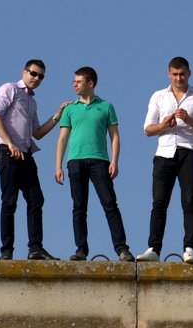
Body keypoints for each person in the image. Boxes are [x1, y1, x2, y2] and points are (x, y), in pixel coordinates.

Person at [0, 59, 72, 261]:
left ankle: (35, 249)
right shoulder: (10, 89)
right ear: (24, 72)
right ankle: (6, 251)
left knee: (36, 199)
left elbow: (38, 133)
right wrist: (10, 143)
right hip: (7, 150)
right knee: (10, 200)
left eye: (41, 76)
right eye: (33, 73)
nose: (36, 78)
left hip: (25, 153)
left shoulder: (32, 102)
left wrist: (58, 115)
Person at [135, 57, 193, 264]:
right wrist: (164, 125)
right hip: (164, 153)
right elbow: (147, 129)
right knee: (159, 203)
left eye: (182, 74)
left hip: (189, 152)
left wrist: (188, 119)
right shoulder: (158, 96)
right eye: (175, 74)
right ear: (169, 74)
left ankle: (189, 248)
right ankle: (154, 249)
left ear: (189, 73)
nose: (179, 78)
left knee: (189, 202)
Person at [54, 67, 134, 262]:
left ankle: (122, 249)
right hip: (75, 161)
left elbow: (114, 136)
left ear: (90, 83)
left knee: (110, 204)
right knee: (79, 207)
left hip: (100, 161)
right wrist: (58, 165)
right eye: (74, 81)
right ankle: (81, 250)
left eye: (78, 81)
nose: (74, 85)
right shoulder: (70, 109)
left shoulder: (106, 106)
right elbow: (62, 139)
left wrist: (115, 161)